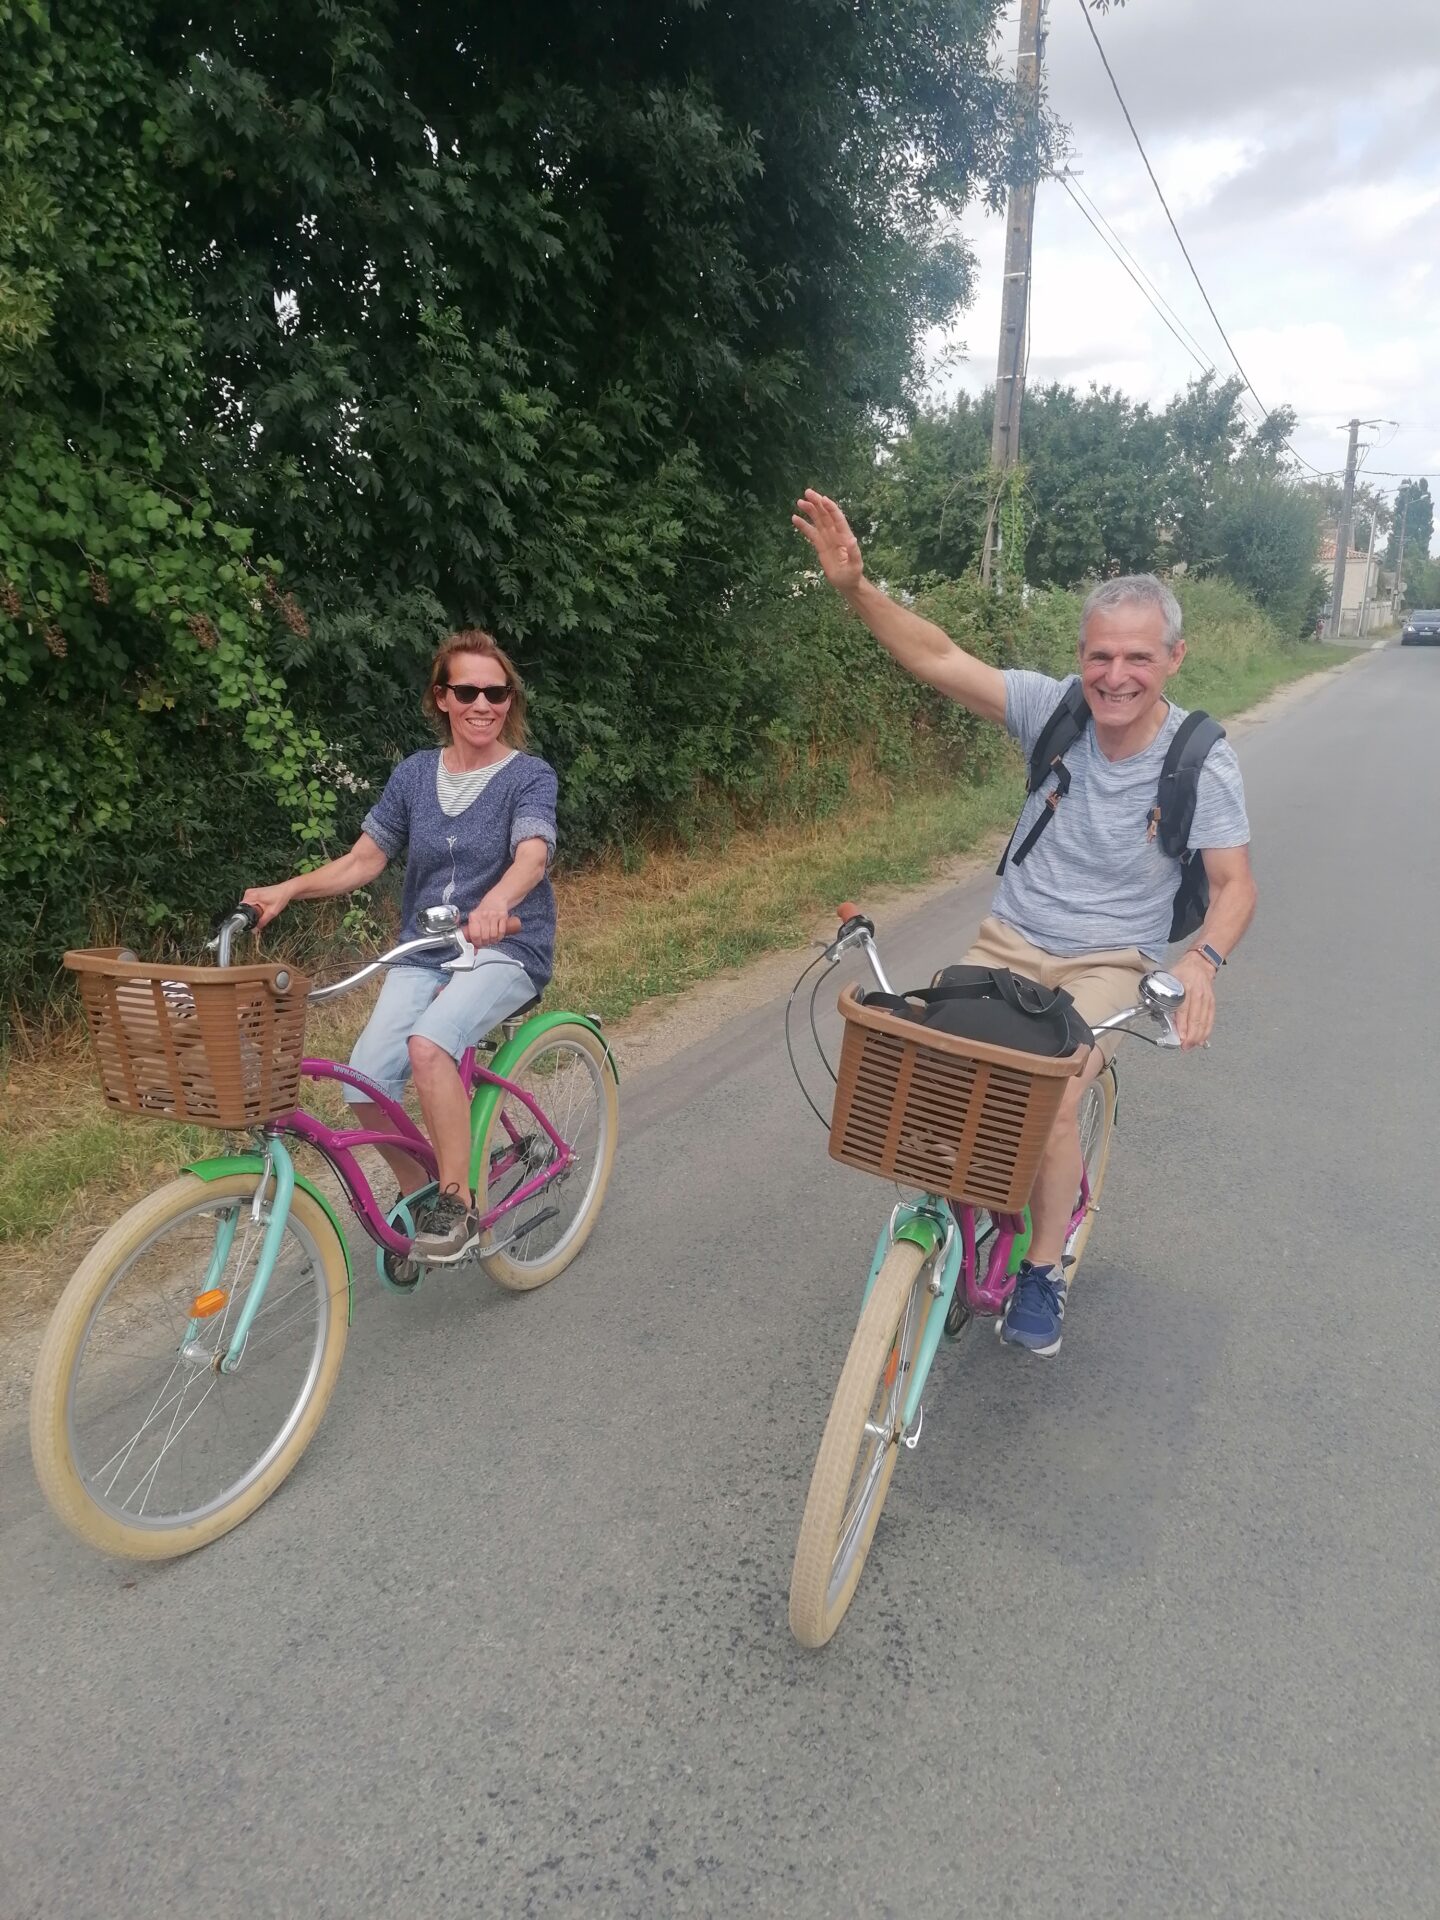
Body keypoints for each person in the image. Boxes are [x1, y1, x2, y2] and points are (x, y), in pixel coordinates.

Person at [792, 489, 1257, 1357]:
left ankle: (1045, 1266)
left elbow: (1234, 885)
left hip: (1110, 956)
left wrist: (1203, 964)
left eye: (1138, 658)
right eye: (1100, 656)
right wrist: (856, 590)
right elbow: (937, 657)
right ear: (1080, 656)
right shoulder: (1054, 710)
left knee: (1045, 1104)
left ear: (1175, 658)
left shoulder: (1200, 758)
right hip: (1010, 938)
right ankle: (967, 1207)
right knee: (933, 1067)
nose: (1116, 676)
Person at [243, 629, 558, 1263]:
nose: (482, 704)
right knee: (363, 1084)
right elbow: (365, 859)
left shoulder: (529, 775)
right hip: (424, 949)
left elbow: (533, 853)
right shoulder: (415, 774)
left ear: (508, 699)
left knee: (430, 1045)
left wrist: (496, 903)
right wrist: (288, 889)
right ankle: (422, 1197)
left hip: (507, 946)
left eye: (496, 692)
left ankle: (458, 1203)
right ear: (442, 696)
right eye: (466, 690)